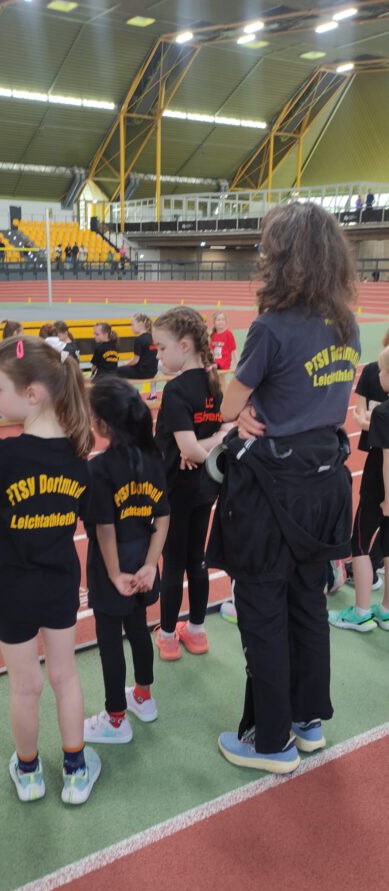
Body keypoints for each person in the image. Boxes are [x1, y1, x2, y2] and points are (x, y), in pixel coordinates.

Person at [209, 202, 360, 774]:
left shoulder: (270, 327)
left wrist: (244, 409)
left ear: (283, 257)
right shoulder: (346, 323)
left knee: (262, 607)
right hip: (325, 481)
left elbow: (229, 404)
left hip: (273, 488)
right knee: (307, 602)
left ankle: (271, 741)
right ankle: (306, 720)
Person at [0, 336, 101, 805]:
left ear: (33, 394)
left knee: (24, 686)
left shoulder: (0, 455)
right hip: (59, 582)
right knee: (65, 677)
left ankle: (29, 772)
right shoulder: (79, 459)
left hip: (11, 586)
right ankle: (75, 771)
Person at [84, 377, 169, 743]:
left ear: (103, 425)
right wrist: (150, 564)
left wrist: (115, 573)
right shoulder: (154, 458)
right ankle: (144, 698)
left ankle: (116, 720)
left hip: (112, 565)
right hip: (142, 559)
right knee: (138, 629)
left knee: (109, 641)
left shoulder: (100, 468)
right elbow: (163, 516)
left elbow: (104, 528)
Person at [153, 306, 229, 661]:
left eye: (162, 348)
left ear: (184, 346)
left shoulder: (177, 390)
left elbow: (189, 450)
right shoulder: (215, 383)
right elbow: (226, 435)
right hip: (205, 488)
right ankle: (196, 631)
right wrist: (215, 440)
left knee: (173, 562)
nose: (159, 355)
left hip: (175, 491)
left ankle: (168, 634)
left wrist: (198, 448)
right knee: (196, 558)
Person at [330, 344, 389, 633]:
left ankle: (361, 612)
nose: (378, 376)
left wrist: (388, 499)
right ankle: (386, 611)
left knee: (361, 545)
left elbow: (388, 459)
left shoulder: (383, 413)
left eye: (383, 371)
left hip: (379, 487)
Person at [118, 314, 158, 381]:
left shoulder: (139, 339)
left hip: (141, 373)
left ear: (140, 325)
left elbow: (135, 361)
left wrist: (125, 364)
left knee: (116, 370)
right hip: (152, 372)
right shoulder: (153, 338)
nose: (131, 327)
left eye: (132, 324)